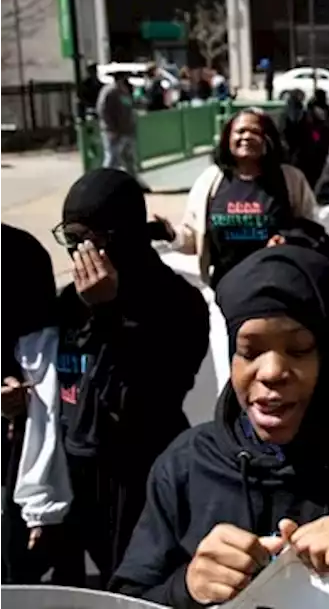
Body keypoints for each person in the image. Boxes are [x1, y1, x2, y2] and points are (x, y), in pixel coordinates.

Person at [110, 247, 329, 607]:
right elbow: (127, 598)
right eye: (250, 352)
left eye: (298, 350)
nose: (270, 373)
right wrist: (187, 587)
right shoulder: (186, 467)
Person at [30, 170, 209, 586]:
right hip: (71, 471)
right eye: (69, 239)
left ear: (118, 235)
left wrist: (108, 315)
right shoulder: (69, 302)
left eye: (83, 238)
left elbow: (150, 398)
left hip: (137, 475)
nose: (76, 252)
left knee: (127, 587)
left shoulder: (178, 303)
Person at [165, 110, 319, 287]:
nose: (247, 137)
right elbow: (193, 239)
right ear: (227, 138)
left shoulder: (291, 179)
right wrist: (170, 234)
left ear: (268, 139)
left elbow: (311, 231)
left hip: (278, 287)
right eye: (240, 131)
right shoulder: (210, 180)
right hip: (225, 288)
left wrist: (287, 240)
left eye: (255, 132)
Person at [0, 222, 62, 583]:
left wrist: (41, 499)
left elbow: (44, 378)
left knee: (17, 561)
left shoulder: (20, 255)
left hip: (16, 431)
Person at [97, 71, 139, 177]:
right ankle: (104, 181)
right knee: (112, 158)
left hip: (126, 130)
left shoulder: (124, 91)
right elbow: (103, 110)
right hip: (114, 131)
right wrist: (111, 127)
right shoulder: (109, 91)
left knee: (129, 159)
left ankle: (133, 180)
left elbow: (129, 108)